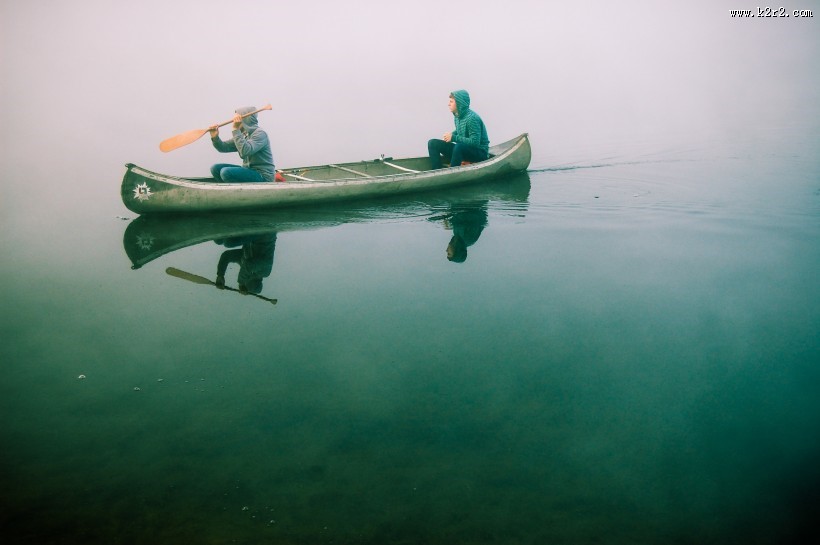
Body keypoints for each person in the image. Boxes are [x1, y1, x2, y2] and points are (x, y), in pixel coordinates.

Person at [209, 106, 275, 182]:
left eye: (237, 120)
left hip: (263, 175)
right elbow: (223, 147)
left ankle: (236, 191)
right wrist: (215, 137)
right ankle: (229, 190)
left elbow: (245, 152)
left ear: (246, 120)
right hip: (248, 170)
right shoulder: (244, 134)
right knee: (215, 168)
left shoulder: (260, 134)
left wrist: (235, 130)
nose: (234, 122)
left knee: (226, 172)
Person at [428, 90, 490, 170]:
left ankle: (451, 173)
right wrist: (450, 136)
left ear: (459, 103)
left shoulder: (472, 118)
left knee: (459, 147)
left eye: (451, 102)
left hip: (480, 153)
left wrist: (453, 138)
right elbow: (460, 130)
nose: (448, 104)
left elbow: (475, 142)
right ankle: (436, 171)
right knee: (433, 143)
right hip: (464, 150)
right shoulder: (457, 116)